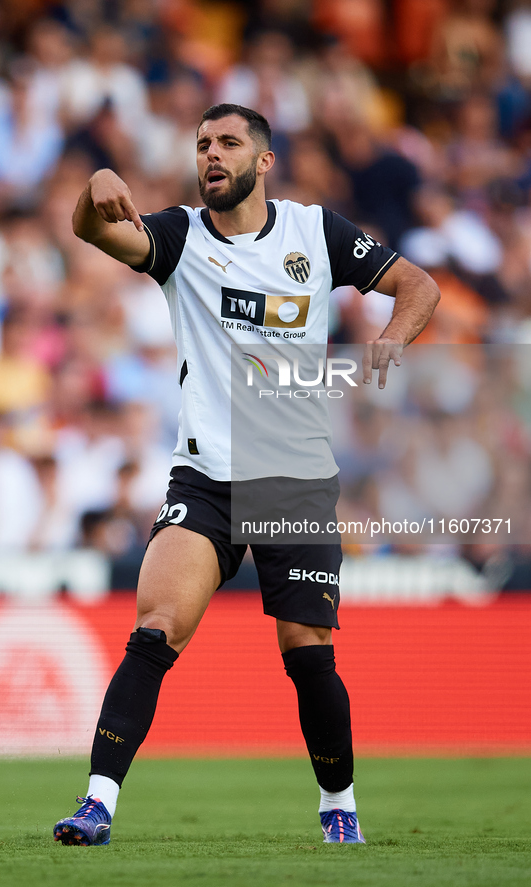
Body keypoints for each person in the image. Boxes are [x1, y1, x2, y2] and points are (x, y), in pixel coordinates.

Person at [53, 103, 440, 847]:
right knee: (154, 629)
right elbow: (91, 228)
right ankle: (96, 802)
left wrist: (391, 338)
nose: (211, 154)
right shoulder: (176, 236)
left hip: (292, 480)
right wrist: (95, 182)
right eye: (201, 143)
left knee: (307, 649)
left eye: (228, 143)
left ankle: (338, 805)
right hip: (203, 478)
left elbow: (416, 285)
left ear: (263, 161)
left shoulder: (313, 232)